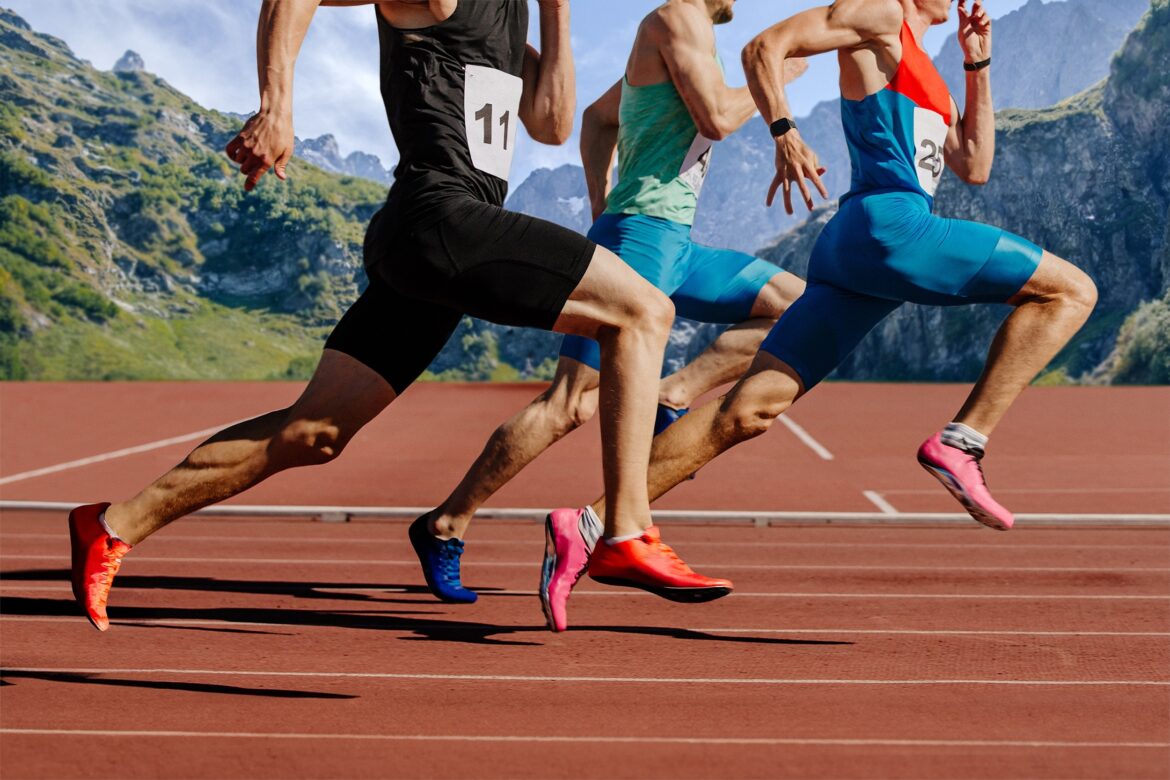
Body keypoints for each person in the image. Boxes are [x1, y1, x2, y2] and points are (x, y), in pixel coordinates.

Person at [66, 0, 704, 631]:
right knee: (643, 312)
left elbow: (552, 124)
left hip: (436, 247)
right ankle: (624, 529)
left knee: (313, 433)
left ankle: (111, 524)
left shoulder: (513, 20)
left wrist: (554, 9)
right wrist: (277, 107)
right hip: (439, 218)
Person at [542, 0, 1100, 625]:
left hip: (858, 254)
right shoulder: (880, 14)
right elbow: (763, 49)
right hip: (891, 228)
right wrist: (785, 132)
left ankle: (591, 525)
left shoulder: (926, 67)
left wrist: (979, 66)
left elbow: (975, 163)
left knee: (746, 413)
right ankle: (962, 443)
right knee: (1071, 292)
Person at [409, 0, 808, 632]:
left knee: (798, 307)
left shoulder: (689, 36)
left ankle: (672, 393)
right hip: (642, 239)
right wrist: (778, 75)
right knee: (569, 404)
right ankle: (445, 524)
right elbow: (718, 117)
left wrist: (602, 207)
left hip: (672, 241)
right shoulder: (677, 17)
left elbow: (598, 120)